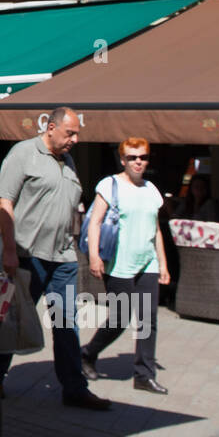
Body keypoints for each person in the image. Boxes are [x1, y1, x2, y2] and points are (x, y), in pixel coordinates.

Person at [0, 107, 110, 410]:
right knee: (13, 320)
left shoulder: (68, 161)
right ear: (50, 128)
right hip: (28, 255)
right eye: (70, 133)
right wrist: (8, 250)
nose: (75, 139)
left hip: (64, 258)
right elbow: (4, 202)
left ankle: (74, 388)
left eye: (77, 134)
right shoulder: (23, 153)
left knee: (67, 323)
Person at [81, 138, 170, 394]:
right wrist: (95, 257)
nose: (138, 162)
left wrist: (162, 263)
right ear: (122, 160)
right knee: (120, 318)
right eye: (132, 157)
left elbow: (156, 230)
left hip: (147, 262)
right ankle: (88, 353)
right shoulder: (110, 185)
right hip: (119, 263)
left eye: (142, 157)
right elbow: (95, 222)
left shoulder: (151, 190)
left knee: (147, 319)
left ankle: (144, 374)